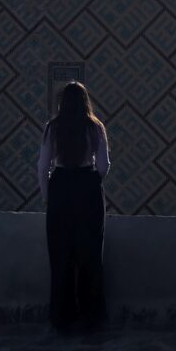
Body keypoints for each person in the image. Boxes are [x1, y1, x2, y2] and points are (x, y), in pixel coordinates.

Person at [37, 81, 110, 332]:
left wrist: (49, 196)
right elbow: (104, 165)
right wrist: (91, 182)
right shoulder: (95, 127)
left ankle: (62, 316)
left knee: (61, 255)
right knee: (89, 253)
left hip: (60, 189)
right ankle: (92, 316)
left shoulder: (53, 128)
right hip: (87, 187)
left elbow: (42, 167)